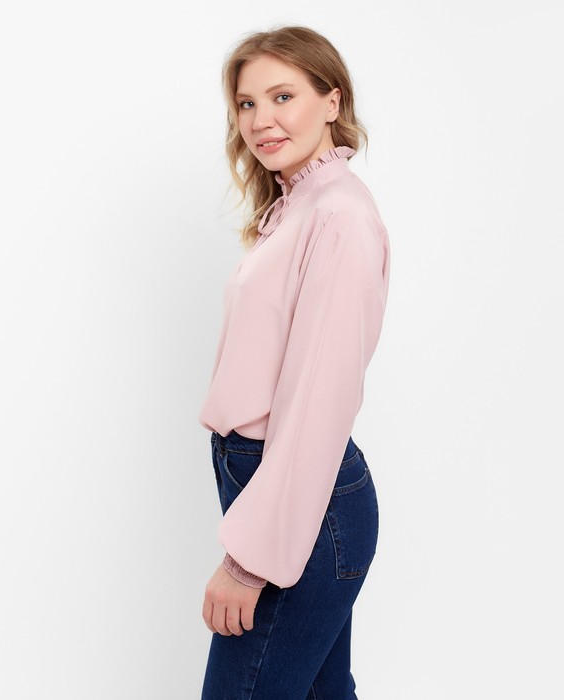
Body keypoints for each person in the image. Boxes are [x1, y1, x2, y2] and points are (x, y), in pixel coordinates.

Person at [199, 25, 390, 699]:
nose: (260, 120)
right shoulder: (299, 205)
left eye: (282, 96)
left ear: (331, 101)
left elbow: (317, 402)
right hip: (280, 489)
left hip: (304, 501)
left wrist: (248, 563)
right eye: (247, 104)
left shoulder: (338, 214)